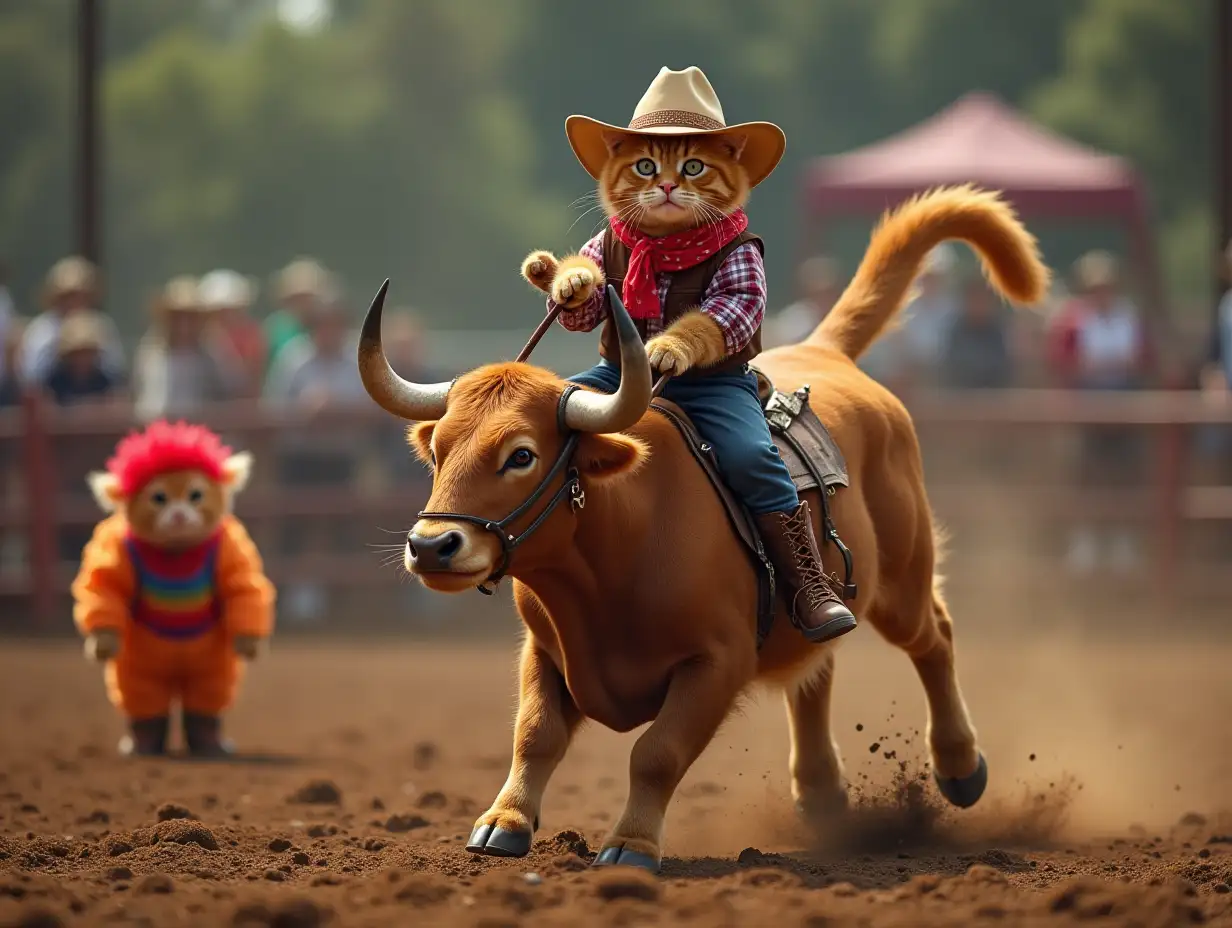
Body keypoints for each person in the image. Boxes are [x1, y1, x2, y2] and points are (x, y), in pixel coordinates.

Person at [520, 65, 855, 643]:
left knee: (752, 457)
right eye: (647, 169)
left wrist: (680, 346)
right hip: (619, 374)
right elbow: (583, 310)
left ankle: (808, 584)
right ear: (620, 170)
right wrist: (569, 284)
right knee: (539, 416)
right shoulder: (613, 240)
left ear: (728, 170)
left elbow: (739, 313)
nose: (669, 185)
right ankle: (519, 548)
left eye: (693, 169)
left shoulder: (736, 246)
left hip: (714, 385)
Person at [263, 298, 368, 623]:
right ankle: (284, 601)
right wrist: (306, 411)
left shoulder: (357, 359)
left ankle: (341, 604)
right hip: (300, 456)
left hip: (340, 457)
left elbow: (371, 403)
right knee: (294, 524)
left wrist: (338, 411)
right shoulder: (294, 360)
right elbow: (274, 406)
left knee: (341, 525)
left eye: (335, 325)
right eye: (323, 326)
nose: (329, 333)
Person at [1047, 250, 1149, 574]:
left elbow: (1144, 359)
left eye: (1106, 286)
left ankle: (1122, 541)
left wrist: (1119, 366)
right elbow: (1060, 360)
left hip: (1123, 410)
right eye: (1096, 287)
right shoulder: (1072, 319)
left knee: (1124, 477)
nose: (1102, 292)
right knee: (1085, 476)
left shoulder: (1128, 317)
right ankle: (1084, 541)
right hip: (1085, 410)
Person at [132, 276, 244, 422]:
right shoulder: (151, 351)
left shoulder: (213, 351)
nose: (184, 324)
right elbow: (141, 394)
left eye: (190, 317)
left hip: (199, 432)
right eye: (178, 316)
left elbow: (233, 390)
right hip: (159, 429)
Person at [19, 256, 125, 387]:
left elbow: (115, 370)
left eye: (81, 294)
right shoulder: (43, 329)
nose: (74, 300)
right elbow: (32, 375)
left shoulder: (103, 324)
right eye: (68, 295)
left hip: (96, 398)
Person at [198, 269, 267, 397]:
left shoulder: (252, 336)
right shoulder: (199, 341)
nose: (225, 317)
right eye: (219, 312)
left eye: (230, 311)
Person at [943, 277, 1014, 390]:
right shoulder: (956, 330)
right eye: (974, 299)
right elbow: (954, 364)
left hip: (993, 395)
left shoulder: (998, 331)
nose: (979, 305)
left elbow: (1002, 365)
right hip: (960, 395)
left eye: (983, 300)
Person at [265, 258, 334, 370]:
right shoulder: (276, 328)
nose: (304, 304)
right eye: (299, 298)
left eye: (308, 297)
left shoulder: (330, 327)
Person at [765, 255, 841, 348]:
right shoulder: (796, 321)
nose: (824, 298)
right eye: (818, 293)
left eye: (829, 292)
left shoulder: (846, 318)